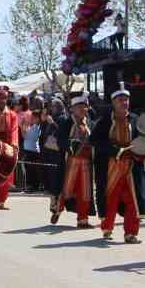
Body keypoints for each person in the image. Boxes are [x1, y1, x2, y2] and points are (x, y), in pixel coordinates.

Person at [92, 88, 145, 244]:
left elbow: (140, 138)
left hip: (131, 166)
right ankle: (107, 227)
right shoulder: (105, 121)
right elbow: (94, 140)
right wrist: (114, 150)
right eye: (120, 100)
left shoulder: (135, 119)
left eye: (126, 100)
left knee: (132, 199)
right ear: (113, 103)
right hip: (111, 166)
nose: (124, 103)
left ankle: (131, 233)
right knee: (111, 197)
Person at [52, 95, 95, 228]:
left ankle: (83, 219)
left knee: (85, 190)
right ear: (73, 109)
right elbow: (60, 141)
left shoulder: (89, 123)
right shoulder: (66, 123)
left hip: (86, 161)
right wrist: (71, 145)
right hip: (70, 161)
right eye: (79, 107)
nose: (83, 109)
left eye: (85, 107)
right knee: (67, 189)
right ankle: (58, 208)